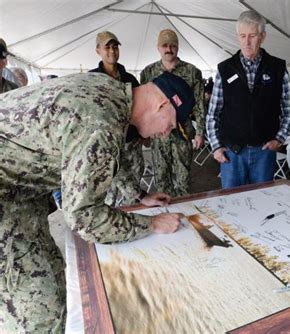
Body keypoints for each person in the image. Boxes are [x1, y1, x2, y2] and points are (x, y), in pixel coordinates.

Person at [0, 71, 194, 332]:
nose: (165, 133)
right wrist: (151, 225)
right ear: (161, 105)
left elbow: (104, 158)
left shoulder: (111, 94)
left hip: (17, 188)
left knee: (51, 275)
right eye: (170, 125)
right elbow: (84, 218)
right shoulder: (101, 123)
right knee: (39, 304)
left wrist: (139, 196)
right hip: (8, 196)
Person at [206, 10, 290, 188]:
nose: (246, 42)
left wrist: (279, 138)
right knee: (232, 203)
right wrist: (216, 147)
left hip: (264, 152)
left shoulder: (277, 68)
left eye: (252, 36)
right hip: (232, 153)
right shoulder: (225, 69)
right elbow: (212, 114)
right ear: (237, 36)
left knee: (262, 202)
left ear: (262, 36)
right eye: (242, 36)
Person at [140, 29, 205, 197]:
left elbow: (199, 105)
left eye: (172, 45)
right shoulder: (148, 72)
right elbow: (144, 107)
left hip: (182, 133)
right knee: (161, 181)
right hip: (158, 136)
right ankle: (165, 216)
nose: (169, 49)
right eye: (164, 45)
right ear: (158, 48)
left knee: (182, 181)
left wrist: (200, 132)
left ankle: (184, 215)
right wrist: (144, 133)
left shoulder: (192, 72)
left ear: (177, 47)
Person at [89, 31, 144, 206]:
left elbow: (141, 108)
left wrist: (144, 134)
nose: (112, 51)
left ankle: (133, 218)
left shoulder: (130, 79)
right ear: (98, 50)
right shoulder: (92, 79)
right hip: (106, 146)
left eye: (115, 47)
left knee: (134, 191)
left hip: (131, 144)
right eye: (107, 47)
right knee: (108, 191)